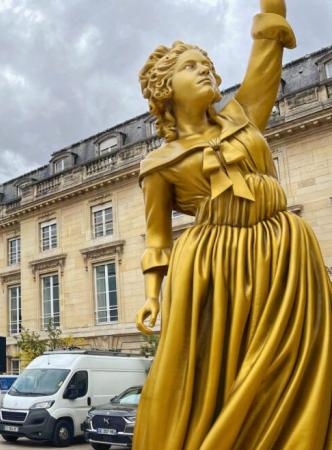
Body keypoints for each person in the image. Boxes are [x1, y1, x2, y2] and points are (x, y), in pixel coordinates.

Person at [133, 1, 331, 449]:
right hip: (214, 263)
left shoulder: (242, 117)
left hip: (284, 251)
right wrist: (151, 295)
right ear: (166, 89)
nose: (205, 70)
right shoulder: (158, 165)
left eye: (207, 64)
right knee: (214, 370)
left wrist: (271, 7)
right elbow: (158, 235)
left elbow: (266, 51)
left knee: (291, 364)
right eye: (190, 66)